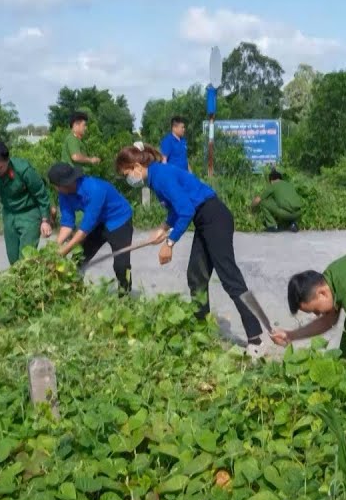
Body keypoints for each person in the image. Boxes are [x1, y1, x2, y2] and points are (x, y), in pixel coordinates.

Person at [114, 144, 267, 357]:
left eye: (127, 174)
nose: (129, 179)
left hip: (215, 218)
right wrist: (163, 228)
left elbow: (186, 210)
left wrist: (169, 244)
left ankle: (256, 339)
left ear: (137, 166)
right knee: (196, 276)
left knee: (229, 276)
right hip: (205, 221)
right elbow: (177, 207)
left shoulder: (160, 176)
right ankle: (200, 330)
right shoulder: (155, 176)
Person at [48, 163, 135, 292]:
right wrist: (55, 248)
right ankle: (76, 293)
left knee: (121, 266)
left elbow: (83, 231)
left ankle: (125, 298)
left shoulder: (95, 189)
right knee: (78, 260)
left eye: (55, 185)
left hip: (119, 221)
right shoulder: (63, 194)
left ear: (63, 184)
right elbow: (67, 224)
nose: (55, 188)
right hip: (99, 222)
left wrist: (64, 251)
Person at [0, 140, 55, 266]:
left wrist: (45, 220)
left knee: (26, 259)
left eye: (0, 168)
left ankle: (27, 283)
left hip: (29, 213)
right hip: (9, 215)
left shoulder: (23, 169)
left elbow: (41, 194)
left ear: (7, 160)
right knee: (13, 259)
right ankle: (19, 284)